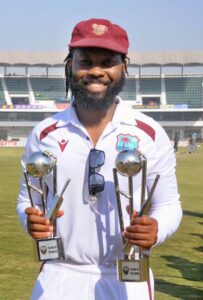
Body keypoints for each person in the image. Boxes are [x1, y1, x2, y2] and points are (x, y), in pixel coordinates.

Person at [17, 18, 182, 300]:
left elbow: (168, 204)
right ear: (70, 65)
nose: (96, 71)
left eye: (107, 62)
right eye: (86, 61)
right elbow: (27, 201)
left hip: (126, 276)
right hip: (60, 274)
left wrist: (157, 229)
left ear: (123, 67)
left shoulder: (149, 133)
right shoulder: (45, 133)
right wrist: (30, 220)